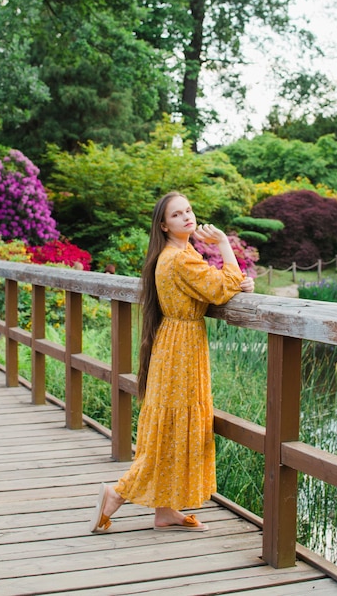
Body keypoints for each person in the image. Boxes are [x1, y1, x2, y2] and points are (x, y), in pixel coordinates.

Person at [90, 191, 255, 533]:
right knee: (171, 430)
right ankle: (116, 494)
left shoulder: (178, 254)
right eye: (177, 215)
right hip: (181, 350)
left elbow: (219, 285)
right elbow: (219, 287)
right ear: (164, 225)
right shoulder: (179, 259)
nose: (187, 217)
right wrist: (225, 245)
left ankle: (165, 510)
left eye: (189, 211)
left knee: (171, 427)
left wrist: (238, 283)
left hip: (174, 345)